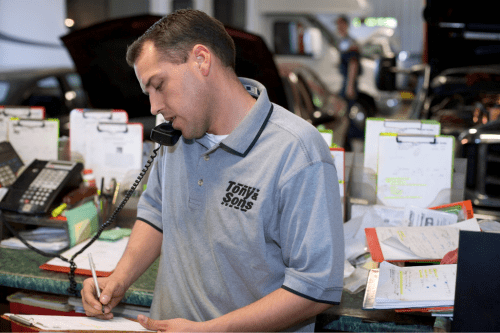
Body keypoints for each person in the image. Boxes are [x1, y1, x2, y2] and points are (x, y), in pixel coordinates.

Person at [81, 9, 344, 332]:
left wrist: (211, 330)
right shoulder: (177, 134)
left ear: (201, 60)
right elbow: (155, 214)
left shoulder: (297, 151)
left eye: (159, 85)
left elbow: (317, 288)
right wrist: (118, 280)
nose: (153, 107)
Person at [335, 15, 363, 151]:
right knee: (345, 114)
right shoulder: (343, 41)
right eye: (337, 25)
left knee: (347, 114)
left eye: (341, 25)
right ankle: (348, 142)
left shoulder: (350, 43)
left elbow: (353, 65)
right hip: (345, 83)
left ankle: (354, 140)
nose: (339, 28)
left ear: (346, 25)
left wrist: (350, 86)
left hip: (349, 83)